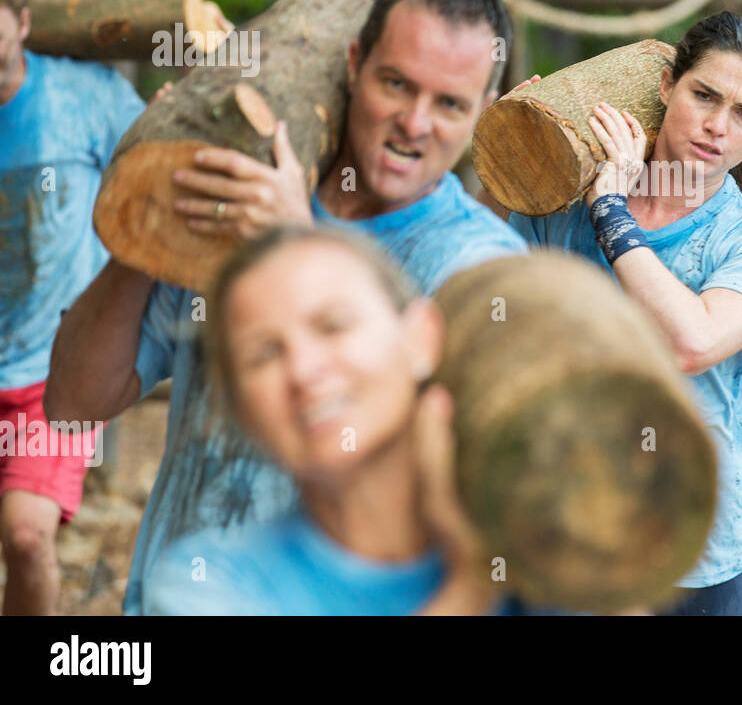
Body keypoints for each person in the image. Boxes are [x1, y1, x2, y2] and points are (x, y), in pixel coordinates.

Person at [46, 0, 526, 615]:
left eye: (449, 104)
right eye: (396, 84)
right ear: (354, 65)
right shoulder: (237, 192)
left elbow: (470, 480)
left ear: (484, 112)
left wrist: (295, 246)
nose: (416, 122)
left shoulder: (482, 266)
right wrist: (152, 202)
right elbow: (73, 404)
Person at [485, 12, 742, 615]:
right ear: (666, 85)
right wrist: (511, 154)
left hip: (699, 541)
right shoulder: (563, 202)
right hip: (565, 513)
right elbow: (488, 289)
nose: (716, 127)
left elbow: (691, 342)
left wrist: (611, 212)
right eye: (703, 95)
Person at [146, 226, 503, 615]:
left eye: (333, 326)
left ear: (421, 336)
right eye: (263, 354)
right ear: (240, 409)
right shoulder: (204, 585)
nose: (302, 371)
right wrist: (472, 584)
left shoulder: (544, 555)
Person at [0, 0, 145, 614]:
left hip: (52, 373)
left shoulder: (82, 99)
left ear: (23, 23)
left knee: (26, 537)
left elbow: (152, 166)